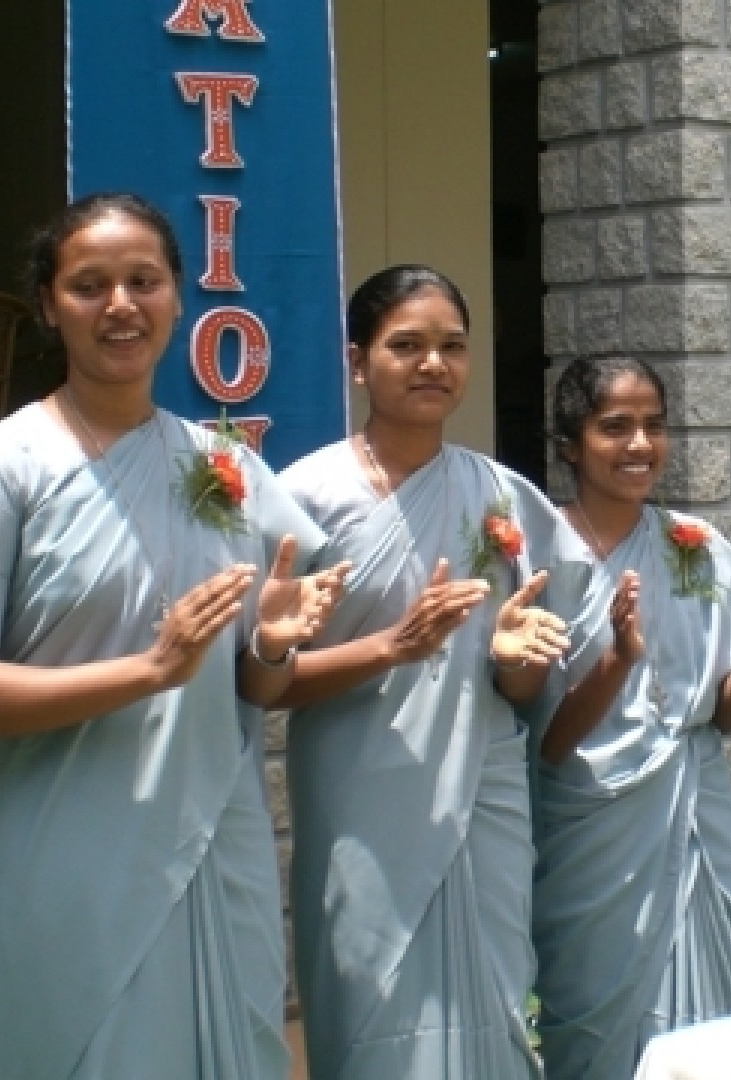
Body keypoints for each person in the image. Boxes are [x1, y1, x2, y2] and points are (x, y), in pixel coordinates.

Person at [0, 192, 349, 1079]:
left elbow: (256, 689)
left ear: (178, 298)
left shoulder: (226, 469)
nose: (120, 305)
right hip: (69, 861)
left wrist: (268, 647)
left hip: (212, 847)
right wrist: (149, 669)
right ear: (49, 304)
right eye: (90, 285)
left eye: (142, 281)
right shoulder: (0, 467)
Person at [274, 265, 610, 1080]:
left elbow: (529, 688)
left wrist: (513, 660)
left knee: (491, 1003)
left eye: (452, 346)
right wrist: (394, 644)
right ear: (358, 362)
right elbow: (269, 680)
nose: (433, 364)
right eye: (407, 345)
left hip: (483, 792)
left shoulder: (505, 498)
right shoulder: (304, 498)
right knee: (367, 993)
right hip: (359, 792)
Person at [531, 357, 731, 1079]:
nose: (640, 444)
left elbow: (722, 717)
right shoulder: (540, 555)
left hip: (700, 814)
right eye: (615, 427)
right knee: (595, 1021)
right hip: (589, 830)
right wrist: (617, 662)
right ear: (570, 443)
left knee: (719, 1028)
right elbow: (545, 743)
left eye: (653, 425)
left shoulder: (692, 546)